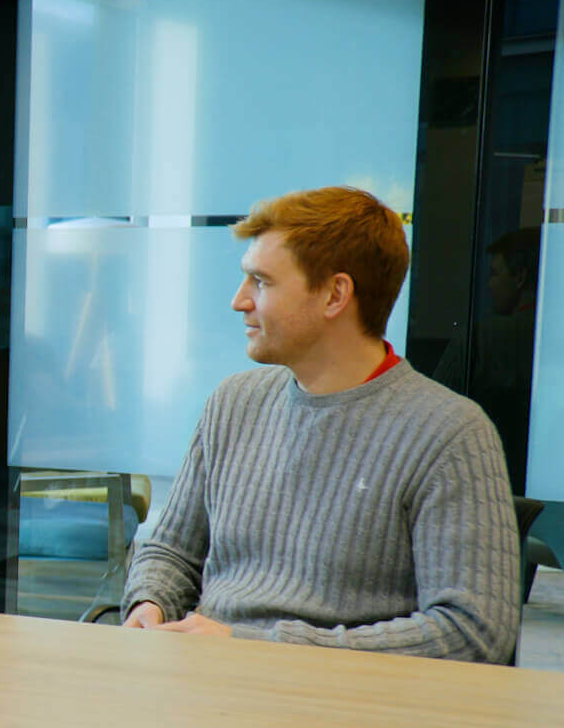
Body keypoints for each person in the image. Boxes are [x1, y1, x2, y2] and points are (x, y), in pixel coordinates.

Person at [121, 187, 519, 663]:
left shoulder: (449, 434)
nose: (238, 301)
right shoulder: (233, 403)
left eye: (261, 282)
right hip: (207, 685)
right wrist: (151, 602)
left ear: (335, 295)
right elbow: (170, 552)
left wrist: (259, 645)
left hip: (342, 711)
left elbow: (472, 632)